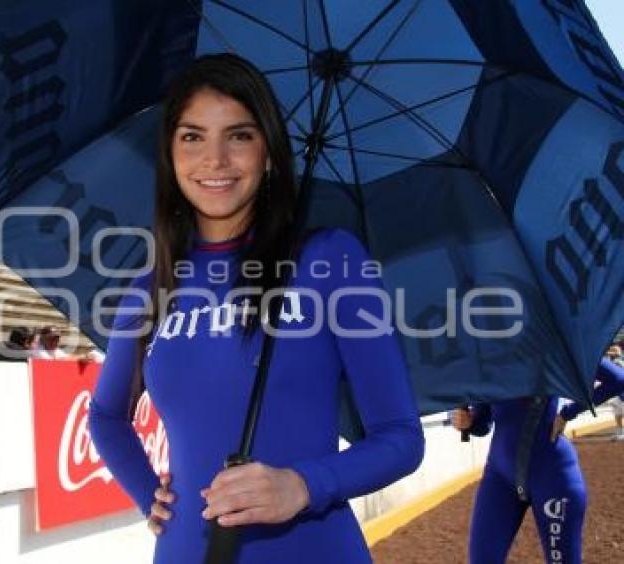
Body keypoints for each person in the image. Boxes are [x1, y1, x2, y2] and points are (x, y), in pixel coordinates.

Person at [88, 54, 423, 563]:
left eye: (240, 135)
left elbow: (401, 438)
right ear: (170, 154)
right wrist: (146, 495)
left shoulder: (329, 259)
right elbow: (106, 416)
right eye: (193, 136)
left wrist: (304, 485)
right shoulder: (147, 289)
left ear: (268, 151)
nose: (215, 159)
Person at [451, 358, 624, 564]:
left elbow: (618, 379)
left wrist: (568, 413)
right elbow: (483, 421)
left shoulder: (554, 342)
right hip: (499, 478)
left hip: (553, 477)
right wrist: (468, 422)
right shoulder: (489, 355)